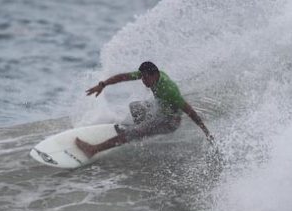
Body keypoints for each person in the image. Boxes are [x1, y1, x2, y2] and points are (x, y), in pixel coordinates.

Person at [75, 61, 213, 158]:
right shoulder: (150, 74)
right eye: (142, 78)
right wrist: (103, 84)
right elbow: (123, 77)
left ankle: (93, 149)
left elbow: (190, 111)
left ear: (154, 75)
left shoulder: (169, 90)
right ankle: (140, 132)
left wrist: (206, 132)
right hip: (160, 110)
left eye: (146, 78)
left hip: (170, 121)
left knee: (134, 131)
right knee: (134, 107)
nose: (144, 81)